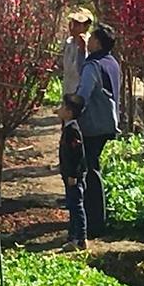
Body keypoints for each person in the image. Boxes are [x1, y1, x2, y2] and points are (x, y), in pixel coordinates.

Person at [76, 23, 121, 237]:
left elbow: (83, 94)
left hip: (93, 123)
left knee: (89, 170)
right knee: (92, 166)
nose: (89, 41)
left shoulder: (93, 65)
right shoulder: (112, 63)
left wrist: (71, 112)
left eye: (92, 38)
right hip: (108, 122)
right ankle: (94, 219)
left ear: (98, 42)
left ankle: (94, 222)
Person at [57, 93, 88, 251]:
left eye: (62, 107)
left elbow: (77, 156)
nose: (59, 110)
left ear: (69, 112)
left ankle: (81, 238)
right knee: (72, 204)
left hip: (73, 177)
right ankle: (73, 237)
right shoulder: (68, 129)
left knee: (77, 206)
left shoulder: (73, 131)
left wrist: (73, 175)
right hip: (68, 175)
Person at [63, 8, 94, 96]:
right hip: (68, 90)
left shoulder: (91, 45)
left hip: (81, 94)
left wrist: (83, 49)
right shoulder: (69, 42)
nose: (72, 26)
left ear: (86, 26)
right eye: (72, 22)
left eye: (77, 24)